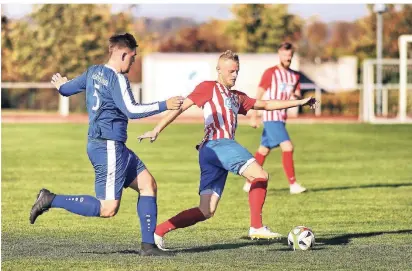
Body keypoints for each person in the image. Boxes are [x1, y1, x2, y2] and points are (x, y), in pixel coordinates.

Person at [138, 50, 317, 250]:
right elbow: (181, 108)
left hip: (209, 152)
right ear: (219, 70)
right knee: (260, 175)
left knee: (206, 210)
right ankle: (256, 227)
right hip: (218, 144)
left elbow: (266, 104)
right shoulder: (208, 87)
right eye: (230, 71)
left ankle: (157, 232)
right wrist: (156, 129)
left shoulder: (236, 97)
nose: (234, 75)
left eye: (236, 71)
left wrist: (299, 102)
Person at [29, 33, 183, 256]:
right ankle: (50, 199)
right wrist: (164, 104)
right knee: (108, 208)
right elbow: (132, 110)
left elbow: (66, 90)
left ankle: (148, 246)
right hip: (108, 146)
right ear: (122, 53)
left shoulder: (93, 72)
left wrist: (61, 85)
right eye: (132, 57)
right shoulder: (117, 79)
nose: (133, 61)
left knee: (148, 184)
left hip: (110, 145)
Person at [243, 42, 307, 195]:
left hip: (282, 117)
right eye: (285, 55)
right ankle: (293, 184)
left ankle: (248, 182)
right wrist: (253, 115)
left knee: (263, 150)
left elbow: (297, 93)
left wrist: (297, 96)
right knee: (288, 147)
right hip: (271, 117)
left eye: (290, 55)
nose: (287, 58)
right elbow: (258, 95)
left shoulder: (294, 75)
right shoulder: (270, 72)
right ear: (279, 54)